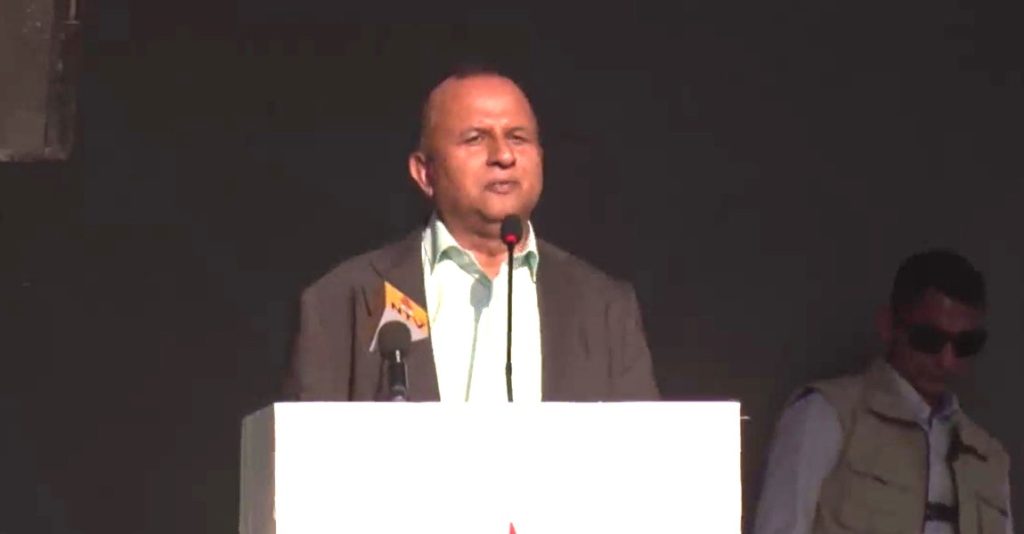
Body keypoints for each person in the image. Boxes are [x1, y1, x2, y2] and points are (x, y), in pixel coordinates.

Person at [282, 66, 659, 402]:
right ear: (425, 173)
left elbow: (645, 448)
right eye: (476, 138)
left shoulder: (604, 306)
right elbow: (303, 451)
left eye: (518, 138)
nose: (503, 156)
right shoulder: (342, 301)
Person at [753, 249, 1013, 534]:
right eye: (929, 338)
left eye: (965, 345)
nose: (947, 360)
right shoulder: (827, 414)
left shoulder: (987, 456)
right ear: (888, 325)